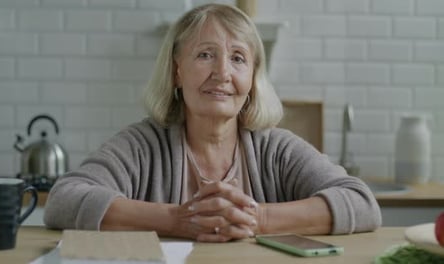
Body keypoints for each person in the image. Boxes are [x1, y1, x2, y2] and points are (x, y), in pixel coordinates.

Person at [44, 3, 381, 242]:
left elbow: (361, 203)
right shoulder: (142, 145)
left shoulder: (275, 148)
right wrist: (178, 220)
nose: (222, 74)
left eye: (238, 58)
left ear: (252, 77)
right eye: (205, 55)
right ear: (177, 71)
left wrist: (256, 219)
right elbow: (64, 200)